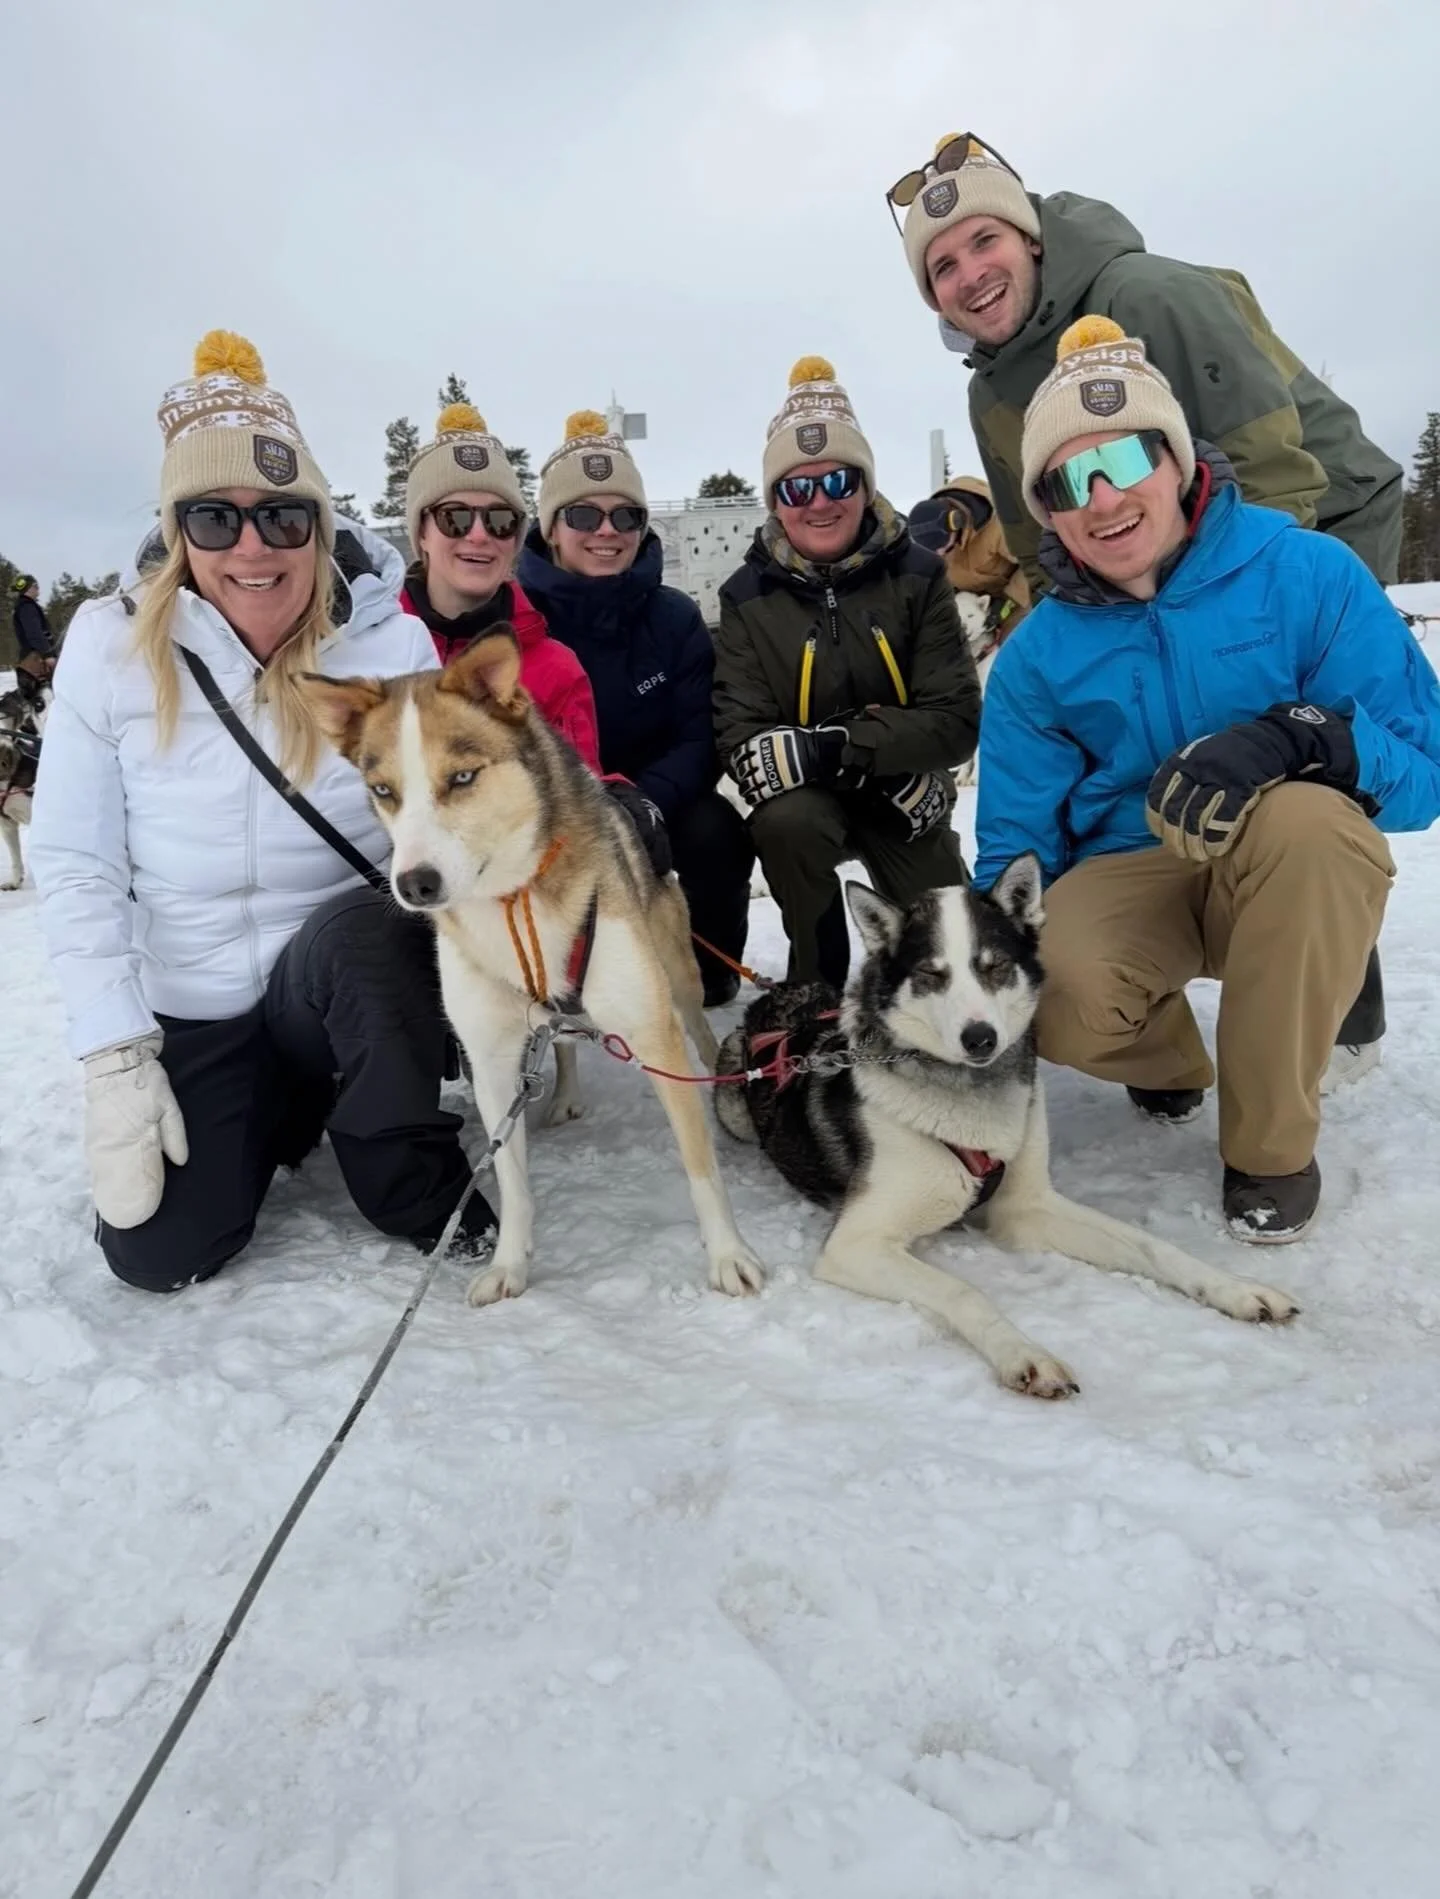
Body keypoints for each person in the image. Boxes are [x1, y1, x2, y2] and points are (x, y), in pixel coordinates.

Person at [891, 129, 1401, 1079]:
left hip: (1315, 518)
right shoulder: (993, 389)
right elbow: (1044, 548)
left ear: (1032, 237)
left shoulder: (1150, 295)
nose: (970, 275)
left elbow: (1278, 470)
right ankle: (1148, 989)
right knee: (1143, 747)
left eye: (985, 244)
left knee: (1283, 750)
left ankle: (1334, 944)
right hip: (1147, 558)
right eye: (942, 268)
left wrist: (1248, 620)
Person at [29, 331, 494, 1293]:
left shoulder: (387, 639)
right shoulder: (111, 650)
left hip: (330, 982)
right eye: (215, 518)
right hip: (192, 1000)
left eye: (285, 518)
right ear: (176, 533)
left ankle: (401, 1166)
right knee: (159, 1254)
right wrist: (116, 1052)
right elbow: (77, 863)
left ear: (320, 528)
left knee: (366, 934)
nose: (253, 548)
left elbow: (446, 813)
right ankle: (281, 1111)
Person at [972, 318, 1440, 1243]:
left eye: (1121, 458)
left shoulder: (1306, 573)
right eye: (1065, 481)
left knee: (1313, 826)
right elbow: (1014, 853)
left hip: (1281, 862)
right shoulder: (1034, 659)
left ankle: (1268, 1147)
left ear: (1177, 458)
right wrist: (985, 968)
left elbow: (1425, 773)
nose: (1101, 498)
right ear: (1047, 512)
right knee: (1042, 978)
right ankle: (1170, 1057)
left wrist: (1311, 737)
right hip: (1131, 876)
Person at [715, 357, 980, 987]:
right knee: (785, 824)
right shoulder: (745, 597)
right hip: (809, 801)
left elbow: (955, 718)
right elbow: (739, 732)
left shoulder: (919, 576)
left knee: (955, 938)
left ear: (864, 483)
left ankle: (957, 998)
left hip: (901, 793)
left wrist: (846, 750)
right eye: (796, 488)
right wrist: (848, 755)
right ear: (776, 502)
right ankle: (818, 984)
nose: (819, 503)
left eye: (836, 481)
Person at [517, 409, 755, 1004]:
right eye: (583, 514)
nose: (607, 530)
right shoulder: (515, 620)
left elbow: (700, 735)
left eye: (626, 515)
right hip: (550, 813)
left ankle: (708, 968)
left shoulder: (673, 618)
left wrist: (639, 803)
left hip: (653, 798)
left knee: (714, 829)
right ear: (551, 528)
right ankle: (554, 980)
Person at [400, 401, 602, 772]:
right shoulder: (368, 656)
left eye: (500, 520)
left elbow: (577, 808)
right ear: (422, 533)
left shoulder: (557, 669)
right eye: (455, 517)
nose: (479, 535)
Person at [907, 475, 1031, 665]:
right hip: (967, 605)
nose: (939, 554)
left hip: (1016, 598)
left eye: (942, 547)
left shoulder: (998, 526)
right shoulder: (931, 543)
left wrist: (1008, 604)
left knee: (1013, 650)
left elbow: (1032, 562)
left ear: (955, 522)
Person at [10, 574, 56, 706]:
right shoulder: (27, 607)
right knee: (39, 700)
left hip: (31, 658)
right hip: (35, 659)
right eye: (36, 586)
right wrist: (48, 655)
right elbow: (34, 633)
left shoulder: (24, 606)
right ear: (29, 589)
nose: (38, 590)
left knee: (33, 700)